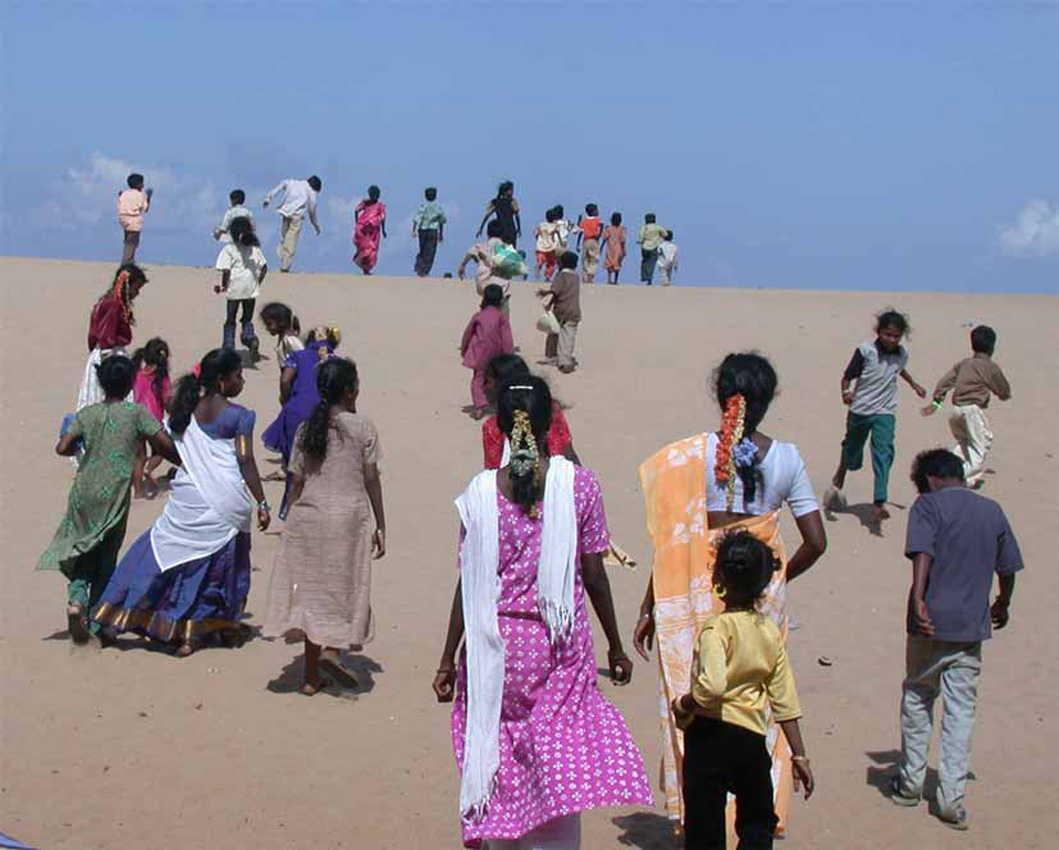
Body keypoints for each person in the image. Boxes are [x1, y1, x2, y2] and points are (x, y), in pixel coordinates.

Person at [433, 376, 652, 849]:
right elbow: (593, 573)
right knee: (557, 764)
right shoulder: (579, 486)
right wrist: (615, 646)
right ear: (551, 422)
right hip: (559, 654)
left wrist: (448, 658)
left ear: (502, 430)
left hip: (494, 656)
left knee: (498, 760)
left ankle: (500, 840)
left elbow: (467, 581)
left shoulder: (481, 492)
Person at [635, 353, 827, 834]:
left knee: (696, 695)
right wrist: (774, 579)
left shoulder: (688, 458)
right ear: (767, 400)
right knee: (758, 694)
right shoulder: (786, 458)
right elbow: (817, 541)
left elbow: (671, 541)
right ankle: (759, 811)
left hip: (693, 596)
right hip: (760, 598)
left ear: (720, 396)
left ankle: (700, 818)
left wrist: (648, 604)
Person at [92, 349, 270, 656]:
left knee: (160, 549)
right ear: (221, 379)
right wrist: (263, 502)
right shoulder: (240, 416)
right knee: (217, 567)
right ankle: (196, 632)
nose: (241, 381)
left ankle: (118, 614)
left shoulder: (184, 408)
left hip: (189, 495)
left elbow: (171, 442)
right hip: (225, 500)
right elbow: (245, 460)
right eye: (237, 375)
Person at [892, 449, 1022, 831]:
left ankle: (911, 784)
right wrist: (1003, 602)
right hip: (969, 627)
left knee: (918, 695)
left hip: (928, 622)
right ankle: (951, 799)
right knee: (960, 711)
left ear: (931, 479)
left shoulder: (927, 506)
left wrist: (918, 598)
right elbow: (1009, 566)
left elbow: (922, 552)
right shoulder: (992, 510)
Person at [672, 531, 815, 848]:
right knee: (757, 824)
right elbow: (784, 700)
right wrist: (800, 755)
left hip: (708, 738)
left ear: (719, 576)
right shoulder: (768, 632)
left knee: (704, 828)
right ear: (764, 584)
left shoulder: (716, 629)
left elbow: (711, 687)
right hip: (751, 742)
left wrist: (684, 703)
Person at [263, 358, 386, 695]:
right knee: (343, 587)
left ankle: (310, 677)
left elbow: (296, 480)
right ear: (350, 390)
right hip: (348, 518)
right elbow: (371, 478)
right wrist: (381, 524)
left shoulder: (307, 429)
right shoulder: (363, 428)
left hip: (308, 517)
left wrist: (286, 520)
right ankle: (332, 650)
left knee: (311, 594)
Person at [38, 356, 180, 645]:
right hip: (114, 494)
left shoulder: (87, 413)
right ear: (130, 383)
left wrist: (78, 441)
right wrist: (187, 462)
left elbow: (62, 447)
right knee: (105, 555)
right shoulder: (137, 413)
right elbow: (164, 445)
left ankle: (77, 600)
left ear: (101, 383)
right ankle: (97, 620)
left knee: (81, 549)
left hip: (83, 492)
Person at [826, 310, 927, 533]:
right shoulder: (866, 351)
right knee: (852, 452)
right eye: (888, 335)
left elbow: (899, 370)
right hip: (860, 410)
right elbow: (847, 375)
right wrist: (845, 393)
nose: (892, 340)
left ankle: (879, 502)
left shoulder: (902, 354)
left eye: (896, 336)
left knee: (884, 451)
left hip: (885, 411)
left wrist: (914, 384)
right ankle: (842, 470)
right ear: (879, 332)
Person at [262, 326, 342, 518]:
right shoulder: (339, 362)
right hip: (327, 416)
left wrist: (288, 400)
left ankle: (290, 513)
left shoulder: (298, 356)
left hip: (296, 413)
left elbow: (285, 380)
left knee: (294, 466)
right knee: (323, 464)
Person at [922, 325, 1011, 489]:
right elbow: (1004, 391)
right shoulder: (990, 367)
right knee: (982, 444)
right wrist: (1004, 394)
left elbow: (944, 382)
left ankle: (943, 468)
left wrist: (937, 402)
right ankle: (962, 479)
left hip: (955, 411)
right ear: (992, 347)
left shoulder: (964, 364)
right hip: (972, 411)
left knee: (964, 443)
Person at [480, 354, 578, 468]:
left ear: (501, 384)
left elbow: (493, 471)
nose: (483, 387)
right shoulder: (551, 409)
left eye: (487, 381)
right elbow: (569, 453)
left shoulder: (493, 427)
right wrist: (581, 479)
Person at [78, 265, 147, 415]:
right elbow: (105, 337)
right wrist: (108, 369)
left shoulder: (112, 302)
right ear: (128, 285)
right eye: (137, 287)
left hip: (108, 354)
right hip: (109, 357)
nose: (137, 292)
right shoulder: (112, 304)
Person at [215, 216, 267, 359]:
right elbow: (264, 268)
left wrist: (223, 286)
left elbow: (226, 270)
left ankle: (229, 347)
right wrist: (257, 283)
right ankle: (250, 338)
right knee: (247, 319)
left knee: (230, 319)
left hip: (235, 287)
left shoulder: (229, 249)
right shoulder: (253, 248)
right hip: (250, 287)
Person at [460, 284, 515, 420]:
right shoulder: (501, 317)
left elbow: (467, 334)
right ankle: (498, 405)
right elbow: (507, 338)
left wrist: (464, 349)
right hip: (497, 355)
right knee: (497, 380)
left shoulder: (478, 316)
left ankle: (479, 407)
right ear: (501, 300)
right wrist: (509, 355)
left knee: (478, 380)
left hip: (480, 354)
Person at [131, 337, 173, 498]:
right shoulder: (162, 378)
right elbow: (167, 399)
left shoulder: (137, 373)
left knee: (139, 457)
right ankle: (149, 470)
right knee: (160, 451)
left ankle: (138, 492)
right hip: (153, 421)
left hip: (136, 419)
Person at [263, 175, 322, 273]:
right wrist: (316, 225)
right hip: (297, 218)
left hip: (286, 213)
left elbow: (280, 186)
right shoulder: (311, 192)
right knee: (291, 240)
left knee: (284, 237)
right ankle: (285, 266)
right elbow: (312, 211)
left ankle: (283, 260)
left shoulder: (292, 182)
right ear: (315, 187)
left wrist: (268, 198)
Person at [536, 251, 581, 373]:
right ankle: (565, 361)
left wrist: (546, 296)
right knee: (568, 337)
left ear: (561, 263)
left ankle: (551, 356)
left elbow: (556, 291)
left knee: (553, 332)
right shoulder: (576, 277)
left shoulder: (561, 275)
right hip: (574, 310)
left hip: (560, 309)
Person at [458, 220, 512, 305]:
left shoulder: (482, 246)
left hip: (483, 284)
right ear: (502, 233)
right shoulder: (506, 248)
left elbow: (470, 252)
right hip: (500, 286)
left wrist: (462, 266)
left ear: (488, 233)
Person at [117, 173, 153, 265]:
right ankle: (126, 262)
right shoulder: (141, 194)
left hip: (123, 218)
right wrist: (149, 197)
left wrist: (120, 195)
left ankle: (130, 260)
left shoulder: (124, 193)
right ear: (138, 185)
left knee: (128, 239)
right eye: (142, 183)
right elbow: (146, 209)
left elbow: (120, 204)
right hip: (133, 219)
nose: (143, 185)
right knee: (132, 243)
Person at [259, 302, 304, 372]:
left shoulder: (291, 340)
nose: (267, 328)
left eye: (269, 324)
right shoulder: (283, 339)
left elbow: (304, 359)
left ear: (282, 322)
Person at [412, 187, 446, 277]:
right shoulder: (438, 207)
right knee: (430, 251)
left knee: (422, 249)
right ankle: (425, 271)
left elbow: (417, 218)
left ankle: (419, 267)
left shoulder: (423, 206)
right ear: (435, 196)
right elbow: (442, 221)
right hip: (433, 231)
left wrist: (413, 230)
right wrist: (441, 234)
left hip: (422, 230)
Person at [353, 185, 387, 275]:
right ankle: (365, 268)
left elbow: (356, 210)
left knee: (365, 249)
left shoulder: (366, 203)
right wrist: (383, 230)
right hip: (371, 231)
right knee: (371, 250)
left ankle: (365, 270)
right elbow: (383, 218)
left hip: (363, 228)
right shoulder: (380, 206)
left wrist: (357, 223)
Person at [477, 180, 521, 247]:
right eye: (511, 190)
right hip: (510, 230)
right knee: (511, 251)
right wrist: (519, 228)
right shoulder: (512, 202)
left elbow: (487, 215)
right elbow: (517, 216)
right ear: (505, 191)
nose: (512, 192)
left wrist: (481, 228)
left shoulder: (495, 202)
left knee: (500, 251)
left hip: (500, 230)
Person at [575, 204, 603, 284]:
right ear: (593, 211)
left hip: (585, 241)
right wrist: (599, 235)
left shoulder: (584, 221)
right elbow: (601, 225)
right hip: (594, 241)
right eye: (596, 210)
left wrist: (577, 244)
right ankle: (591, 274)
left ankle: (585, 278)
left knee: (585, 259)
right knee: (594, 258)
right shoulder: (597, 220)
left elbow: (580, 232)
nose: (598, 211)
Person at [638, 213, 667, 285]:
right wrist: (660, 236)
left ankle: (644, 277)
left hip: (645, 247)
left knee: (644, 262)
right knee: (651, 263)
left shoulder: (644, 227)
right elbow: (665, 234)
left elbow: (641, 236)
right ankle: (649, 279)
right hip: (654, 246)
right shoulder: (657, 227)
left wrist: (641, 241)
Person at [534, 207, 559, 281]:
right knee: (551, 263)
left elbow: (535, 233)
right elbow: (557, 235)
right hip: (550, 246)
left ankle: (539, 264)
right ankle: (548, 276)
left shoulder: (541, 225)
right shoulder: (555, 226)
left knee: (541, 258)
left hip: (540, 246)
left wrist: (538, 240)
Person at [601, 212, 627, 285]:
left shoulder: (608, 228)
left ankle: (609, 279)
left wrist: (601, 247)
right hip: (618, 249)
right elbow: (623, 240)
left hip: (610, 248)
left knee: (609, 263)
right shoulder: (622, 229)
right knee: (617, 264)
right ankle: (615, 280)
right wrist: (624, 249)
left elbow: (604, 238)